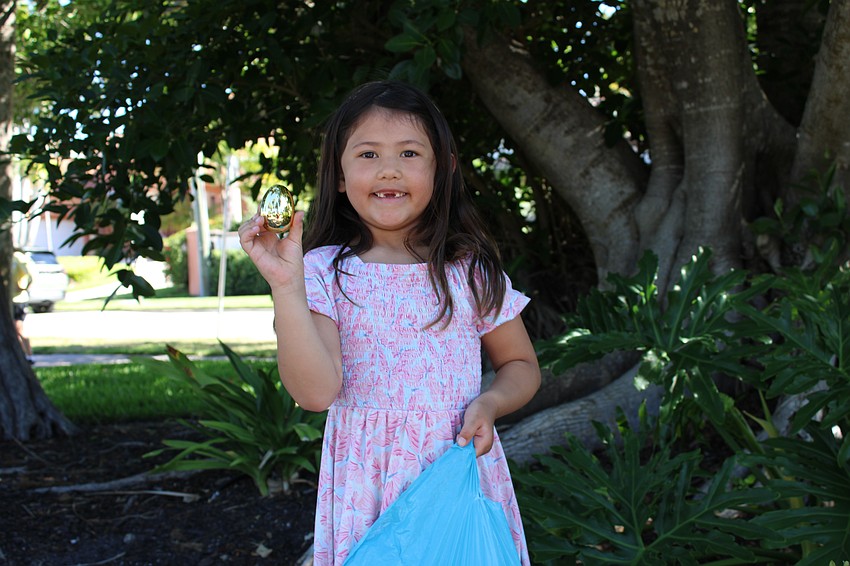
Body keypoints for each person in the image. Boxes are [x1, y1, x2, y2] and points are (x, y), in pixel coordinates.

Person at [239, 80, 541, 565]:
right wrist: (286, 286)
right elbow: (315, 393)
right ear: (338, 175)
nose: (389, 169)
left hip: (453, 473)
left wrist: (490, 402)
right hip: (366, 488)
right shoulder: (319, 272)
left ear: (441, 169)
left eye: (409, 153)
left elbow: (521, 364)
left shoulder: (470, 269)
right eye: (367, 155)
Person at [12, 250, 35, 362]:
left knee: (19, 328)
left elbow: (31, 274)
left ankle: (29, 355)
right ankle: (21, 356)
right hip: (9, 299)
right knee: (14, 330)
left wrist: (24, 287)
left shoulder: (17, 257)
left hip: (18, 299)